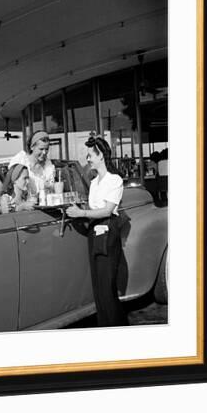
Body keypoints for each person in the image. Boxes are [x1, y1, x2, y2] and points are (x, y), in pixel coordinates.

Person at [66, 135, 128, 327]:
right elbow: (93, 209)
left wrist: (80, 212)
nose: (88, 159)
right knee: (98, 287)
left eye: (90, 155)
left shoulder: (114, 180)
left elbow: (108, 210)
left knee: (107, 287)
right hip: (95, 233)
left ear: (101, 156)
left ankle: (116, 328)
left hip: (108, 232)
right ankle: (105, 326)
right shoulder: (94, 182)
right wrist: (77, 208)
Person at [8, 130, 55, 196]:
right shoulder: (20, 160)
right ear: (32, 147)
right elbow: (8, 184)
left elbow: (52, 189)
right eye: (41, 149)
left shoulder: (48, 165)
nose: (44, 152)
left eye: (46, 149)